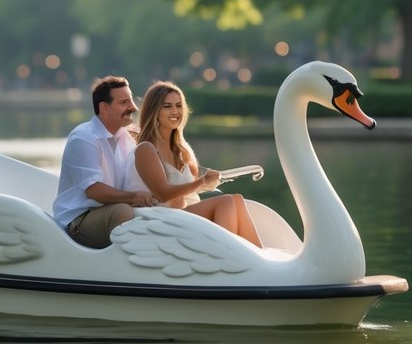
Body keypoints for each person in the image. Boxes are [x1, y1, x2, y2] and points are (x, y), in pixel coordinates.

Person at [129, 81, 262, 248]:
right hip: (168, 218)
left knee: (237, 199)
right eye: (167, 106)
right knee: (225, 201)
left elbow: (191, 187)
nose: (175, 111)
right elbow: (163, 194)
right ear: (154, 111)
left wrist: (208, 182)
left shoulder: (182, 149)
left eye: (178, 105)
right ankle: (226, 257)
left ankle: (258, 256)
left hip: (190, 213)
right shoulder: (146, 149)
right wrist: (202, 182)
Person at [53, 75, 159, 248]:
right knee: (122, 211)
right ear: (104, 108)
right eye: (124, 102)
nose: (133, 107)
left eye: (131, 100)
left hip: (111, 211)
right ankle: (125, 269)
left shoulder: (128, 137)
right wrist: (135, 197)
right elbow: (94, 191)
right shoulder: (84, 137)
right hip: (78, 220)